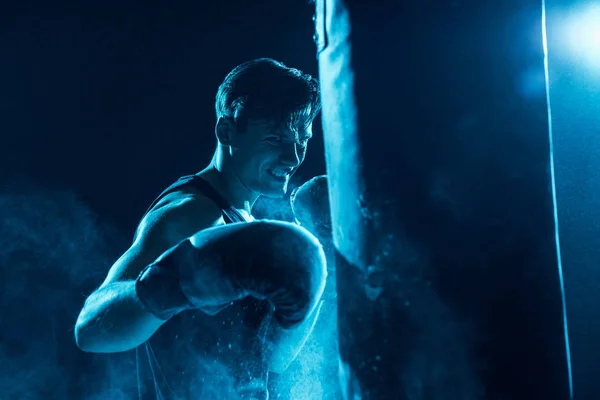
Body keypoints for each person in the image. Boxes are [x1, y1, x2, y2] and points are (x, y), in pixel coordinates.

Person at [74, 58, 327, 400]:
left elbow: (272, 360)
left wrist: (317, 265)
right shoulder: (193, 214)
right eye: (275, 138)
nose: (293, 156)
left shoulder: (245, 218)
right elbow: (90, 329)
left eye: (302, 139)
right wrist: (171, 282)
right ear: (226, 131)